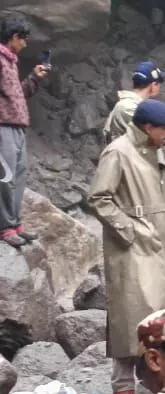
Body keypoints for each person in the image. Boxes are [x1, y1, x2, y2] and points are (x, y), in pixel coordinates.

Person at [89, 99, 165, 394]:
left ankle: (161, 380)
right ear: (148, 127)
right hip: (134, 243)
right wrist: (128, 229)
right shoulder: (118, 152)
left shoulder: (151, 146)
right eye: (164, 129)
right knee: (131, 312)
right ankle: (122, 385)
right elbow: (98, 197)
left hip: (159, 238)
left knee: (164, 309)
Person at [0, 16, 48, 248]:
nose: (25, 44)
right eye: (24, 39)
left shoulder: (10, 61)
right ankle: (4, 227)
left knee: (18, 176)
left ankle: (15, 223)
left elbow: (16, 94)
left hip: (17, 126)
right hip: (3, 126)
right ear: (14, 37)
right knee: (5, 177)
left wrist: (34, 79)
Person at [102, 61, 165, 146]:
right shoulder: (127, 107)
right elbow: (156, 133)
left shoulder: (130, 104)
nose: (160, 87)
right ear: (153, 85)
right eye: (159, 83)